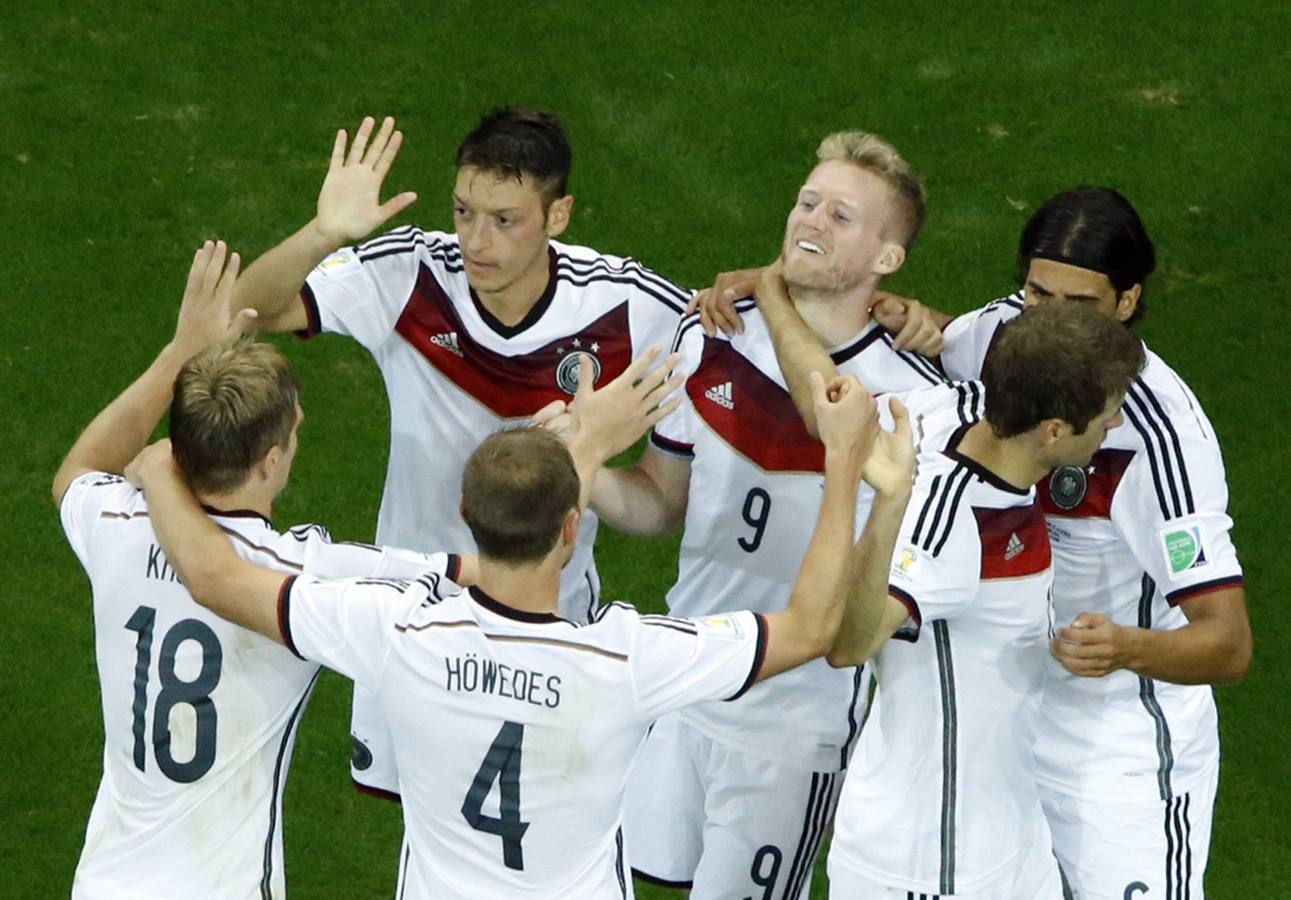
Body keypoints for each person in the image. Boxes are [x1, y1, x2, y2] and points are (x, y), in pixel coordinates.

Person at [125, 339, 914, 898]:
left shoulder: (396, 628)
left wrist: (162, 466)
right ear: (573, 529)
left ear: (464, 514)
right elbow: (812, 629)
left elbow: (214, 576)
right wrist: (843, 465)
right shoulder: (625, 658)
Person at [229, 108, 693, 800]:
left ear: (557, 214)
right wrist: (323, 231)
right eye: (464, 212)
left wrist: (584, 457)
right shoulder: (412, 274)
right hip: (411, 620)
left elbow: (660, 511)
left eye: (505, 220)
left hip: (550, 629)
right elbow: (245, 314)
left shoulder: (637, 315)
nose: (476, 241)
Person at [584, 131, 938, 898]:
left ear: (887, 261)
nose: (809, 221)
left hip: (791, 728)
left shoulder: (916, 398)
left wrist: (773, 292)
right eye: (807, 202)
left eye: (841, 216)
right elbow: (658, 505)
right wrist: (583, 471)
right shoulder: (711, 335)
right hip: (681, 686)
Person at [52, 242, 462, 898]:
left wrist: (179, 352)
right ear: (271, 460)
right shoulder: (308, 573)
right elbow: (471, 575)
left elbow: (79, 470)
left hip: (106, 883)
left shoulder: (117, 526)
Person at [914, 187, 1250, 899]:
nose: (1050, 321)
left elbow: (1227, 642)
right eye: (1038, 293)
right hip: (1003, 726)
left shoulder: (1160, 440)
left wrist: (1125, 647)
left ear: (1126, 302)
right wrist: (903, 318)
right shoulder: (1003, 334)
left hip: (1116, 757)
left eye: (1079, 305)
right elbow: (941, 352)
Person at [819, 302, 1146, 898]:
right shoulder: (949, 517)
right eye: (1106, 414)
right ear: (1052, 429)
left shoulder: (1008, 478)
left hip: (1009, 839)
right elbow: (849, 645)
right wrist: (891, 505)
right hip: (929, 861)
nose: (1115, 426)